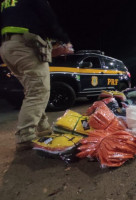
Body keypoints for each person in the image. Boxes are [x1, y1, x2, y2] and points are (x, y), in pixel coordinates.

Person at [0, 0, 73, 150]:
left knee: (33, 91)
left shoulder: (8, 2)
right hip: (25, 46)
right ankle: (25, 135)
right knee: (39, 92)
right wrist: (64, 40)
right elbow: (48, 19)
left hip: (8, 48)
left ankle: (44, 128)